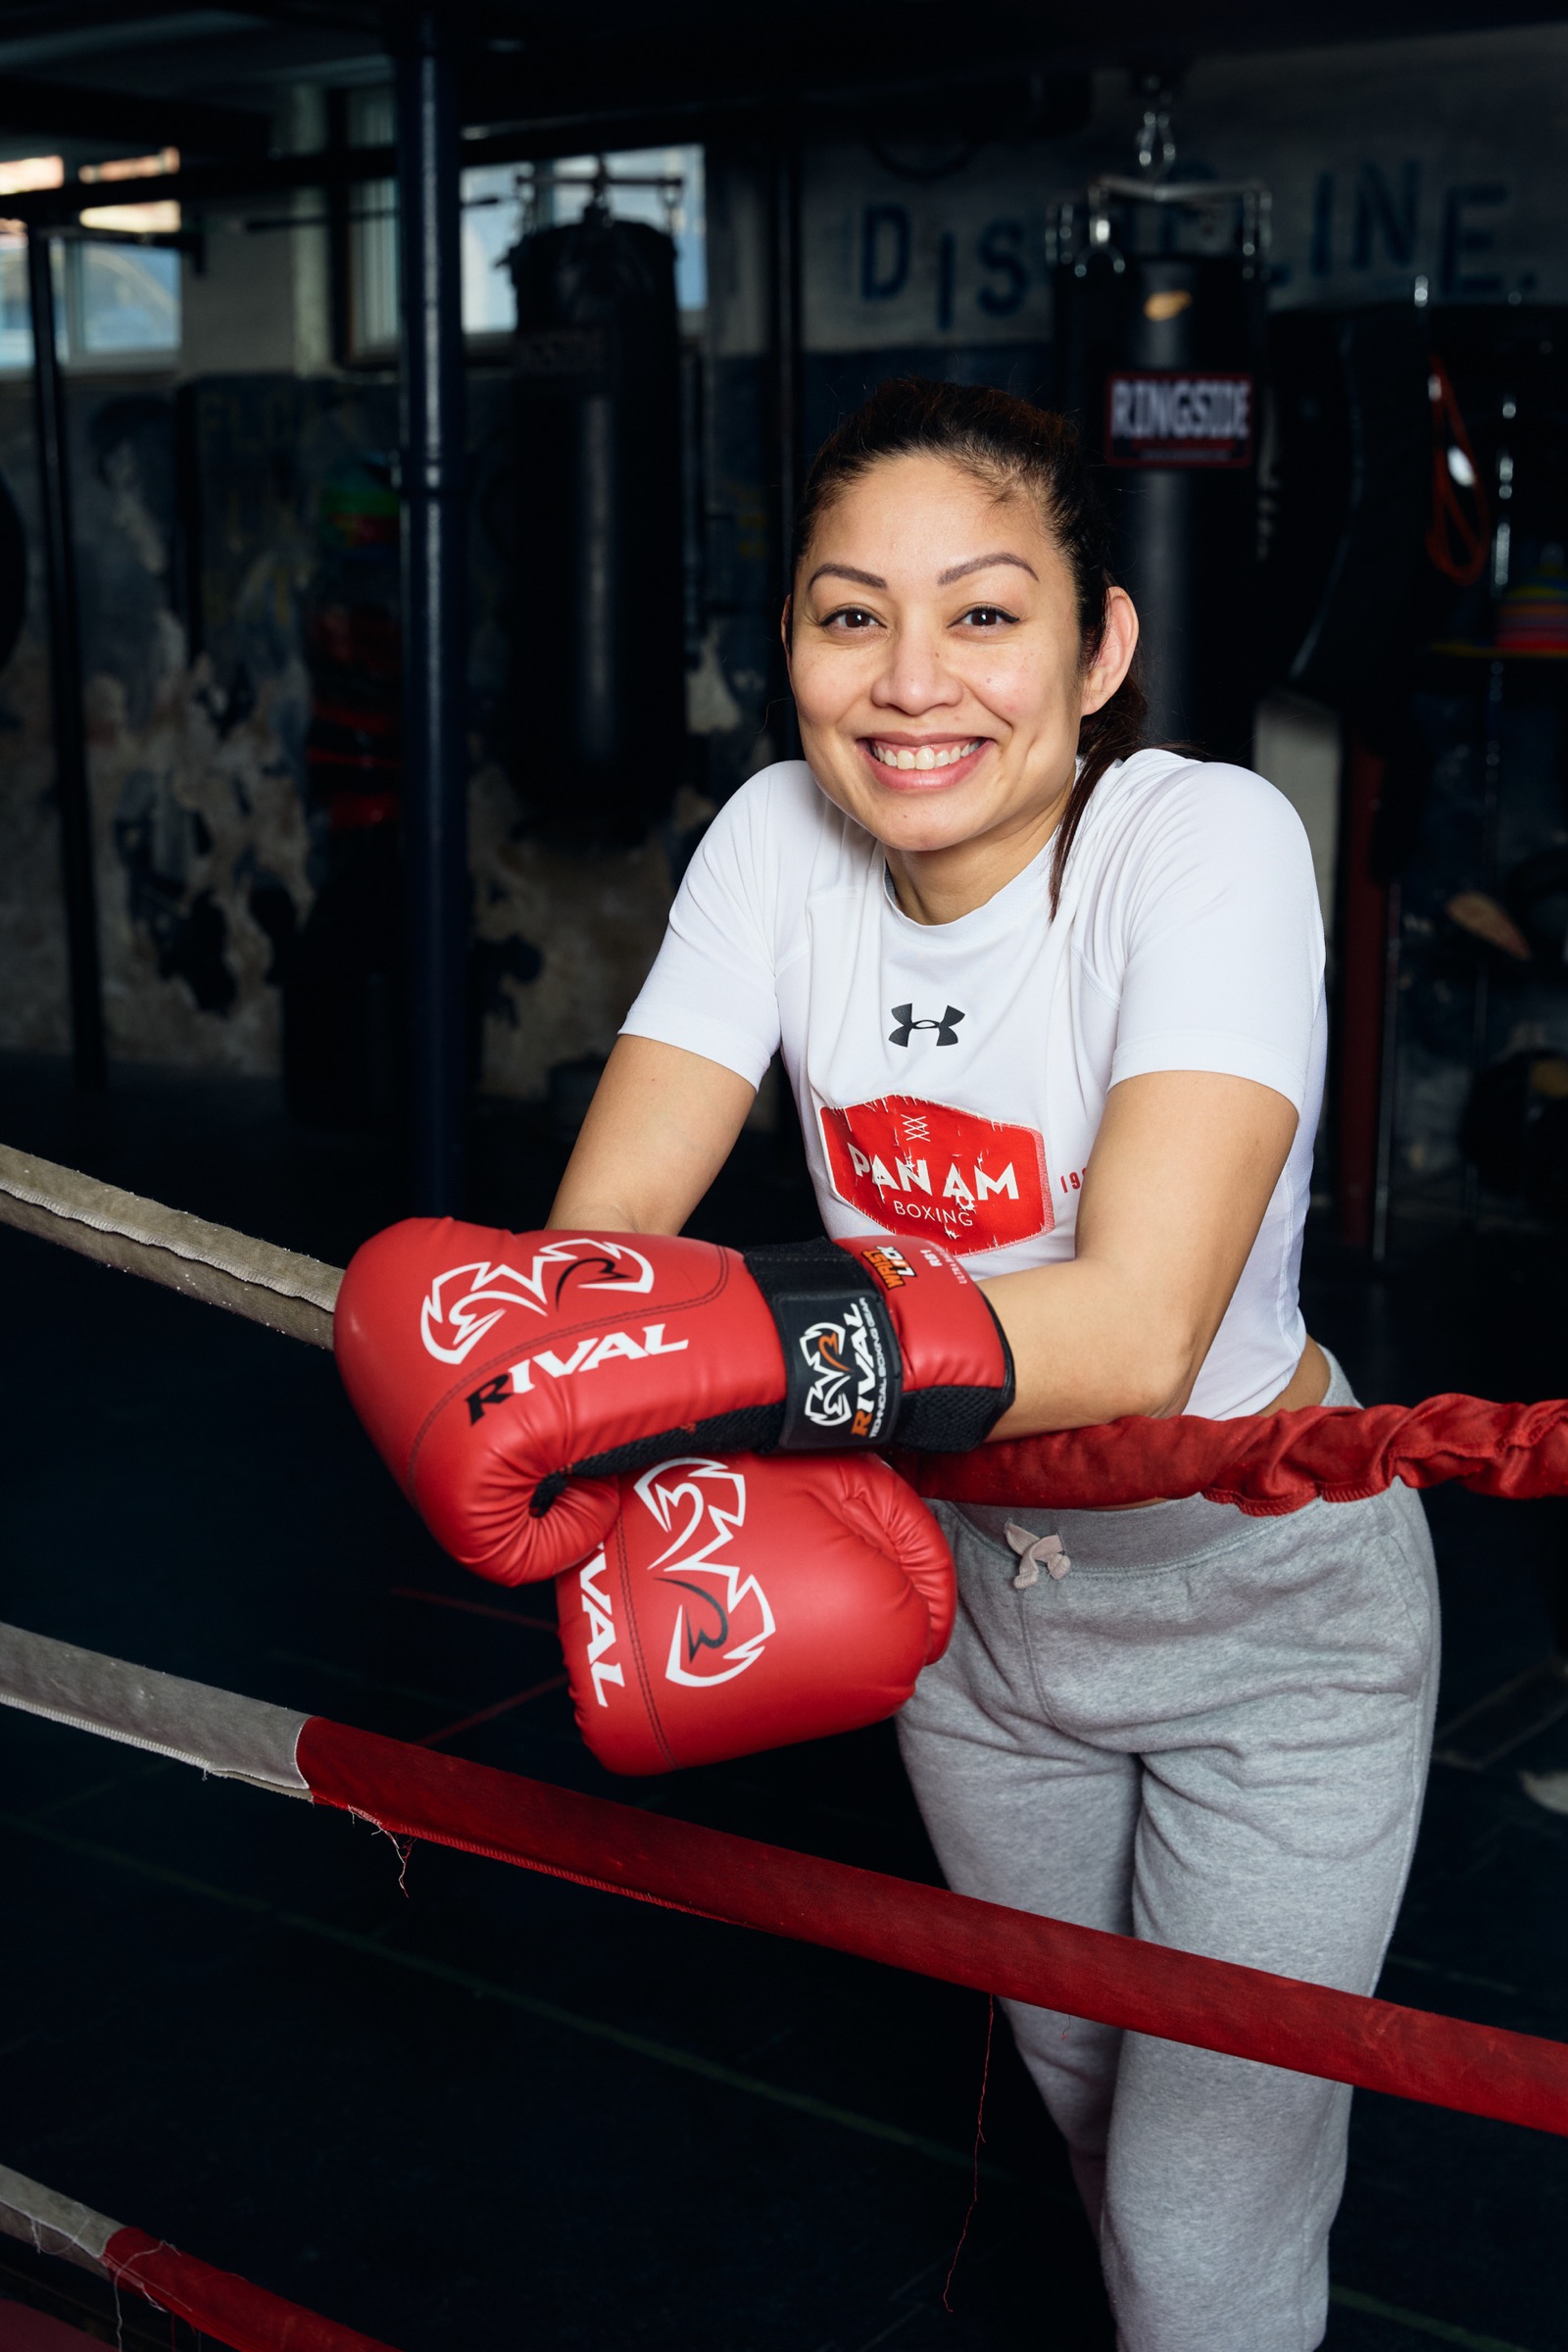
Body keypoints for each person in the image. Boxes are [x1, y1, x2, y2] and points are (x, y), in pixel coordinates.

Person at [548, 377, 1439, 2352]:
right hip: (966, 1623)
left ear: (1097, 642)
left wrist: (714, 1365)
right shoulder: (775, 840)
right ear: (785, 644)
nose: (908, 679)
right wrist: (544, 1358)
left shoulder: (1197, 843)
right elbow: (599, 1261)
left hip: (1262, 1616)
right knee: (1097, 2125)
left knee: (1201, 2237)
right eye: (848, 613)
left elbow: (1129, 1328)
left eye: (981, 611)